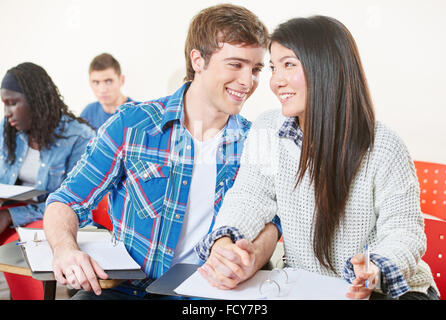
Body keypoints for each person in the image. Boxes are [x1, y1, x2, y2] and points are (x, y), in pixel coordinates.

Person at [43, 3, 280, 300]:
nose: (248, 82)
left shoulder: (253, 140)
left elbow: (272, 222)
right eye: (235, 65)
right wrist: (65, 250)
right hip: (128, 290)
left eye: (256, 68)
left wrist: (252, 258)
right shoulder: (131, 124)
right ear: (198, 60)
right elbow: (66, 200)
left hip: (208, 294)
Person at [196, 16, 440, 300]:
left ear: (326, 68)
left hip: (388, 293)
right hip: (310, 289)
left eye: (289, 65)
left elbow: (405, 230)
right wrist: (226, 239)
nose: (276, 81)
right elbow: (250, 197)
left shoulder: (383, 145)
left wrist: (376, 268)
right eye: (274, 68)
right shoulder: (267, 128)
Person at [0, 62, 95, 238]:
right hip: (9, 210)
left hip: (50, 217)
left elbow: (72, 202)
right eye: (4, 104)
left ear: (35, 102)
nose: (7, 112)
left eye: (12, 103)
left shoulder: (79, 138)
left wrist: (10, 216)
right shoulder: (8, 129)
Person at [81, 53, 133, 130]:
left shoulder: (136, 113)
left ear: (121, 80)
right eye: (96, 82)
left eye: (108, 81)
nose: (102, 89)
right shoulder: (88, 113)